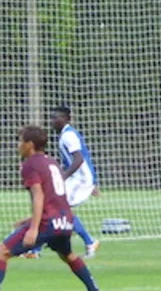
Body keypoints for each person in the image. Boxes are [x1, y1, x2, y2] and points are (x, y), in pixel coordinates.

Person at [0, 126, 104, 291]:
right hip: (64, 219)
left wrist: (33, 228)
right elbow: (56, 196)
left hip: (47, 222)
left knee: (0, 251)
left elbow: (39, 196)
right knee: (68, 254)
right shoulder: (52, 162)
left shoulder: (30, 165)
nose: (18, 145)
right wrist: (31, 219)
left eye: (20, 141)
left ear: (29, 144)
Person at [22, 106, 101, 259]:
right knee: (57, 209)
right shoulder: (66, 135)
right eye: (52, 118)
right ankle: (87, 241)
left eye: (56, 118)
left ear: (66, 119)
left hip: (80, 179)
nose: (53, 121)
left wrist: (64, 177)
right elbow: (75, 159)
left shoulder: (68, 136)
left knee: (57, 209)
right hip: (79, 179)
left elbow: (79, 159)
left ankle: (36, 249)